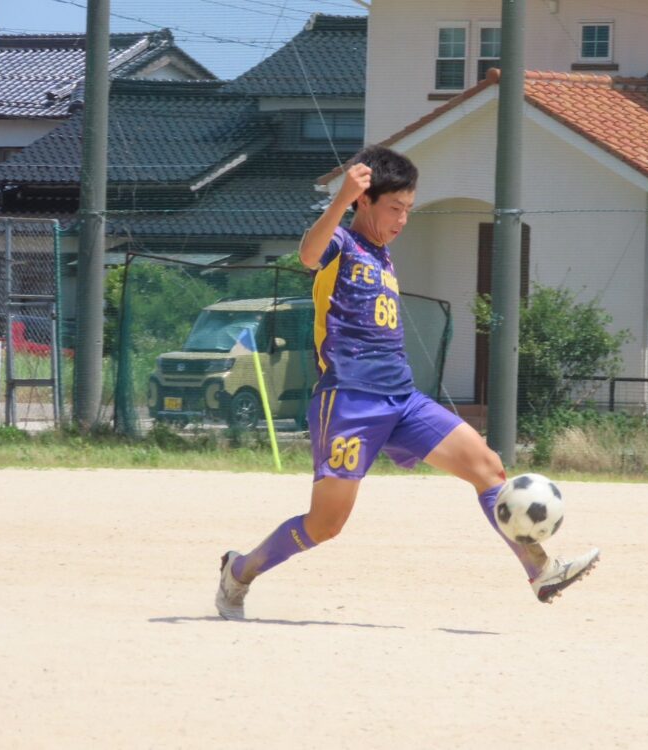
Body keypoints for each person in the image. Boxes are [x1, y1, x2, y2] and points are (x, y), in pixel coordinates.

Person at [216, 145, 599, 620]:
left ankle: (540, 571)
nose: (402, 219)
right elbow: (308, 253)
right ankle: (240, 571)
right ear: (364, 201)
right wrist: (339, 200)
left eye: (408, 209)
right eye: (394, 207)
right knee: (325, 524)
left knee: (488, 467)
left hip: (402, 399)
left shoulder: (382, 255)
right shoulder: (342, 244)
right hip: (350, 403)